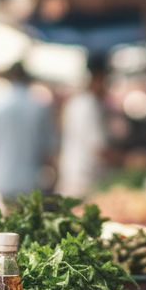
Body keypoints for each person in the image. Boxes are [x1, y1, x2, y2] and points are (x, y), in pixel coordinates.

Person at [0, 62, 56, 206]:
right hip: (31, 180)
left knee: (1, 223)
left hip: (0, 179)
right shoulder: (39, 106)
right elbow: (49, 148)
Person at [55, 56, 109, 197]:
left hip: (71, 174)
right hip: (83, 180)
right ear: (99, 77)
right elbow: (97, 148)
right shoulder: (89, 105)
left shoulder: (76, 102)